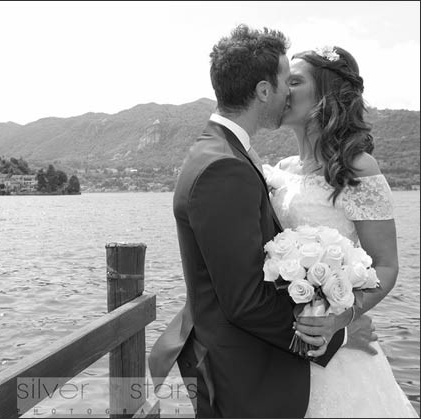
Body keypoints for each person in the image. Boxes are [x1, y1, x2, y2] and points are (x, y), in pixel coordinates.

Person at [148, 24, 374, 418]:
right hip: (245, 375)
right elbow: (245, 302)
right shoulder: (224, 166)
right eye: (287, 81)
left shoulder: (226, 152)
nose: (290, 91)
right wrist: (334, 333)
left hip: (253, 365)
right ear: (264, 91)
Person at [262, 45, 418, 417]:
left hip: (341, 351)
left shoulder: (358, 168)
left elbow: (386, 265)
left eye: (294, 81)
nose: (283, 89)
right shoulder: (279, 169)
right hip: (279, 346)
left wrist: (341, 319)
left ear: (325, 96)